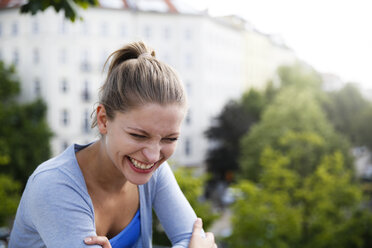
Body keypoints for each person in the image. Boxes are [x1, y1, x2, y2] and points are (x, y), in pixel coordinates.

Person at [9, 41, 217, 248]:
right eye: (138, 135)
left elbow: (193, 238)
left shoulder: (153, 172)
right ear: (103, 119)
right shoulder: (53, 185)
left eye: (169, 139)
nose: (153, 156)